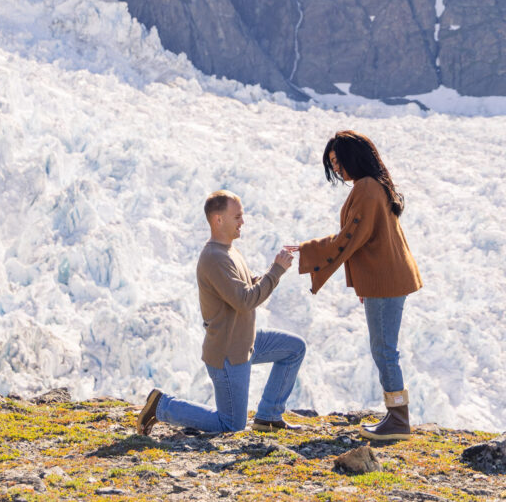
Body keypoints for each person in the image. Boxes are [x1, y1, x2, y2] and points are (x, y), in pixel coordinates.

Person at [287, 131, 421, 441]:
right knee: (384, 349)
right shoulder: (375, 185)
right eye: (331, 163)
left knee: (384, 350)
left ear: (352, 157)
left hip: (386, 281)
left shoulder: (367, 188)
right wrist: (364, 282)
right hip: (385, 278)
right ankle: (396, 416)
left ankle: (398, 420)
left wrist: (307, 250)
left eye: (337, 161)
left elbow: (350, 237)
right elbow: (368, 240)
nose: (335, 168)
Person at [137, 189, 305, 436]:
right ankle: (162, 406)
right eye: (237, 217)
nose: (242, 222)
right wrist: (276, 272)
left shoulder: (229, 251)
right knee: (231, 425)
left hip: (245, 342)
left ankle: (268, 416)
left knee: (294, 349)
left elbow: (242, 287)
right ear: (218, 220)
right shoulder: (214, 258)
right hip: (229, 353)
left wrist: (272, 270)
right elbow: (245, 300)